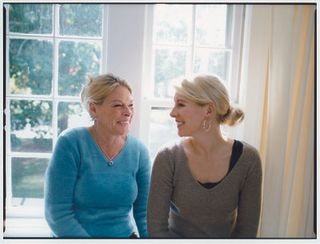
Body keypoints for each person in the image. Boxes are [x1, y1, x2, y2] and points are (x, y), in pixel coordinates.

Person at [147, 74, 262, 238]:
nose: (172, 113)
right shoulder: (167, 157)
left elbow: (246, 232)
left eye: (180, 104)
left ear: (208, 110)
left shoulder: (249, 159)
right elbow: (156, 230)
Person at [44, 74, 151, 238]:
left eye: (130, 105)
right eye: (118, 105)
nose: (128, 112)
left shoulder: (139, 151)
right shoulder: (71, 143)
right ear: (93, 109)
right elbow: (57, 214)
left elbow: (144, 213)